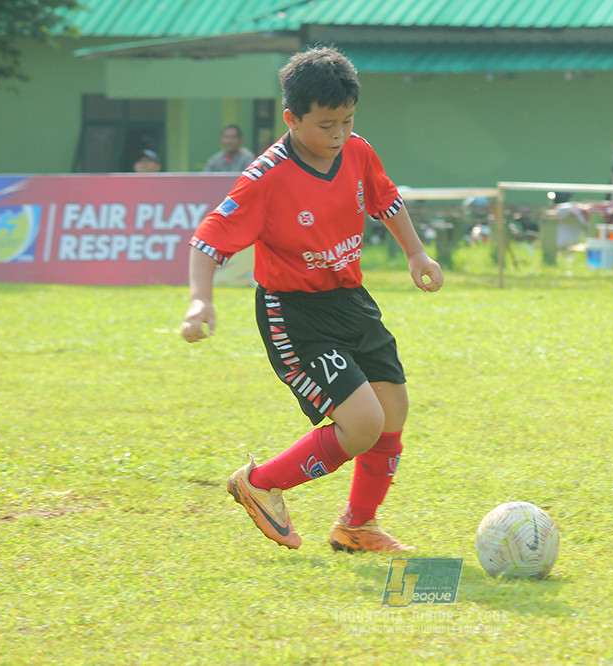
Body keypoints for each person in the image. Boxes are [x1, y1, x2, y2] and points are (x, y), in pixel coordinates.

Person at [180, 46, 444, 553]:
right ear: (292, 119)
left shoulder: (357, 151)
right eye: (326, 125)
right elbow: (209, 237)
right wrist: (200, 301)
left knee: (392, 411)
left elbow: (386, 198)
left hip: (350, 299)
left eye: (346, 120)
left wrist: (416, 254)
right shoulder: (266, 178)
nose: (338, 134)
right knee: (363, 423)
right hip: (295, 314)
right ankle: (260, 483)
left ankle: (356, 527)